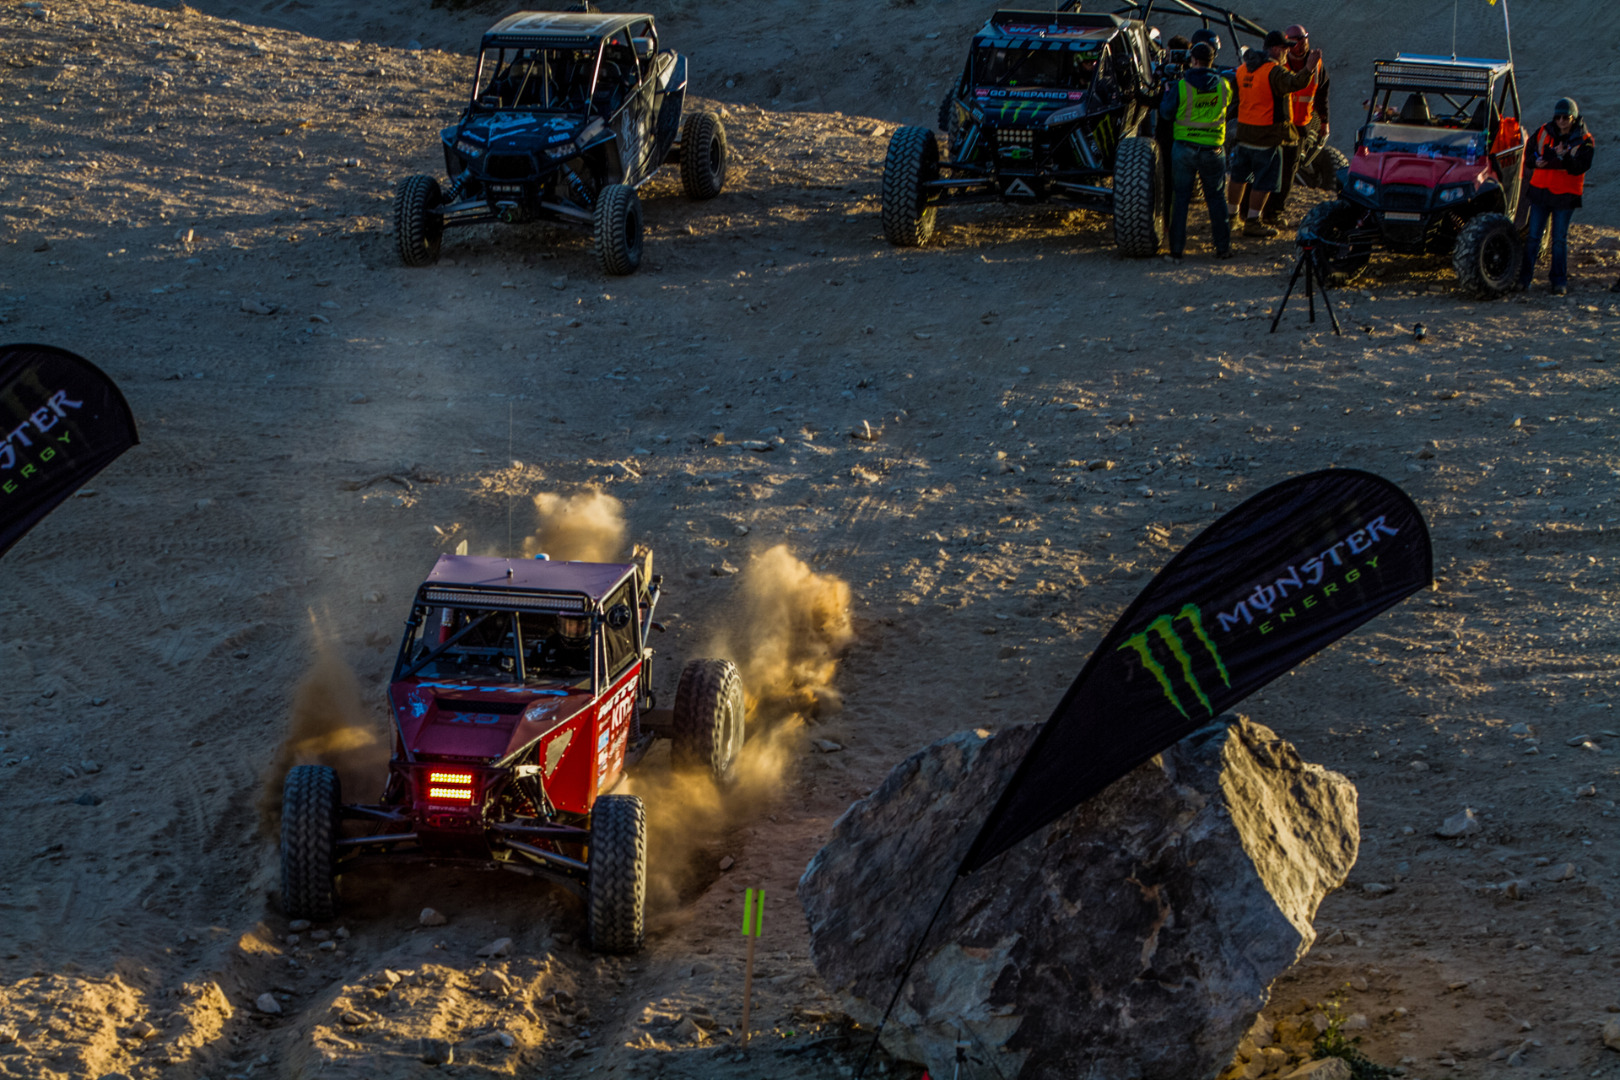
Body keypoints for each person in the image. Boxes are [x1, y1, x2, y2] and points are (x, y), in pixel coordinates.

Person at [1225, 30, 1322, 238]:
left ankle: (1231, 218)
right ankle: (1253, 221)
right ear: (1277, 49)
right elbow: (1296, 83)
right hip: (1267, 137)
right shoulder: (1274, 72)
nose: (1287, 53)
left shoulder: (1243, 69)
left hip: (1244, 133)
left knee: (1238, 177)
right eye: (1285, 49)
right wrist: (1309, 68)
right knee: (1264, 181)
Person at [1160, 41, 1232, 261]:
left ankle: (1176, 250)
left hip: (1185, 149)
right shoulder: (1224, 85)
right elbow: (1228, 105)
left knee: (1180, 199)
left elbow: (1166, 113)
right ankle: (1223, 248)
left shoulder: (1182, 86)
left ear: (1193, 60)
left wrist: (1167, 94)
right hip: (1214, 149)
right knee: (1216, 198)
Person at [1518, 98, 1594, 296]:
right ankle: (1524, 279)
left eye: (1565, 117)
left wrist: (1564, 156)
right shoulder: (1544, 131)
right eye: (1558, 117)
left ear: (1574, 117)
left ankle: (1559, 282)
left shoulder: (1585, 139)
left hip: (1565, 196)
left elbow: (1581, 166)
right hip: (1541, 192)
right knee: (1533, 237)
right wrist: (1536, 162)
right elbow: (1528, 154)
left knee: (1559, 240)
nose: (1561, 121)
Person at [1265, 23, 1331, 225]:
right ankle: (1258, 211)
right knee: (1269, 169)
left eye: (1303, 38)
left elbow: (1321, 95)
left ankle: (1274, 212)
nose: (1300, 43)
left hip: (1300, 125)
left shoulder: (1316, 64)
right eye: (1295, 40)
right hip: (1276, 125)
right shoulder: (1277, 64)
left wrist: (1324, 122)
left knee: (1289, 171)